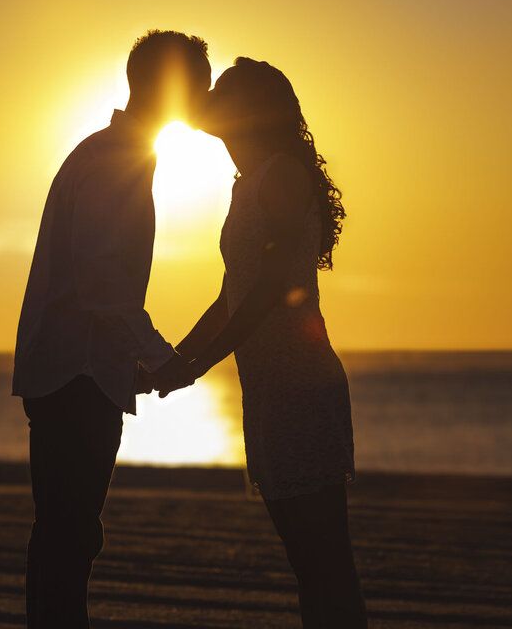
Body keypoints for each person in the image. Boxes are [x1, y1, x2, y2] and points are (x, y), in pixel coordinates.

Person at [155, 57, 367, 628]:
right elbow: (231, 293)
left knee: (327, 565)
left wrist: (197, 366)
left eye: (225, 93)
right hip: (268, 392)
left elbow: (271, 289)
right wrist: (178, 356)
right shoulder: (246, 184)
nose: (212, 101)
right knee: (307, 567)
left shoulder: (280, 176)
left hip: (302, 387)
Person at [11, 30, 210, 628]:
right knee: (68, 537)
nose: (204, 97)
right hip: (76, 375)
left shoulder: (118, 154)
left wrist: (142, 360)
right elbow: (102, 287)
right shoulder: (111, 161)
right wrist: (165, 359)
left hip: (80, 370)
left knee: (67, 536)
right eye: (197, 85)